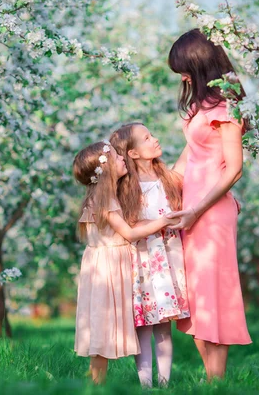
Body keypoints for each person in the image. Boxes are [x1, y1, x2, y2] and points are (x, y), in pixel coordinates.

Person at [167, 28, 252, 381]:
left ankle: (216, 382)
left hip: (209, 214)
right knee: (196, 297)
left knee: (212, 296)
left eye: (185, 69)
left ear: (201, 64)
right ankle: (212, 380)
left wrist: (195, 211)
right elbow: (190, 156)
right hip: (191, 210)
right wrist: (156, 188)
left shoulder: (229, 104)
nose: (183, 77)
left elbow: (234, 169)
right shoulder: (203, 104)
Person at [73, 140, 179, 384]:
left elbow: (128, 227)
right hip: (109, 267)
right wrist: (165, 221)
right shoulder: (105, 201)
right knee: (102, 325)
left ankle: (97, 382)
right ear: (107, 168)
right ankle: (95, 383)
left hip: (106, 264)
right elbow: (129, 234)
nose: (122, 159)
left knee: (102, 324)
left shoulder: (104, 198)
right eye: (116, 157)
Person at [110, 123, 189, 388]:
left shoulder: (165, 176)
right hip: (140, 260)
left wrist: (198, 135)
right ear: (132, 153)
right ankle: (145, 385)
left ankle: (165, 384)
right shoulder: (125, 186)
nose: (154, 139)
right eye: (146, 138)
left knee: (164, 324)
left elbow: (187, 162)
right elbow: (127, 225)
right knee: (143, 323)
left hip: (167, 258)